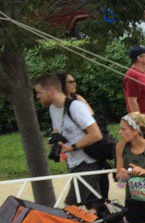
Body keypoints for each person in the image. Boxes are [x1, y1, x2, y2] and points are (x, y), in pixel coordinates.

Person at [32, 72, 109, 213]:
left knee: (69, 207)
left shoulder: (76, 107)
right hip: (73, 163)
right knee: (94, 204)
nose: (37, 96)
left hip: (88, 163)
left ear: (51, 91)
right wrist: (55, 141)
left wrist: (71, 147)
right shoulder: (53, 109)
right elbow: (61, 132)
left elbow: (96, 134)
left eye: (39, 92)